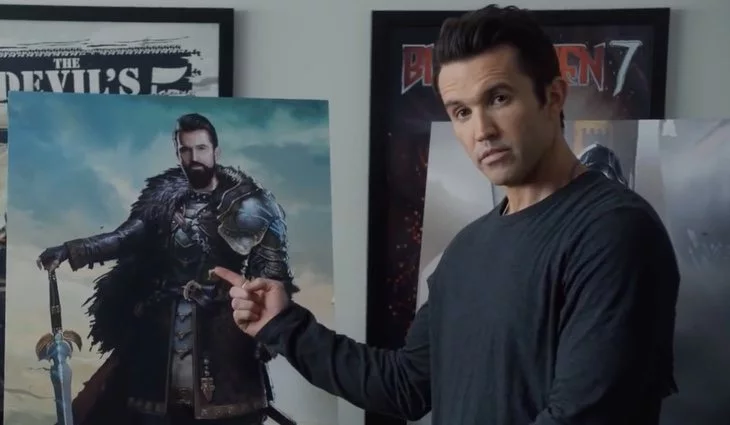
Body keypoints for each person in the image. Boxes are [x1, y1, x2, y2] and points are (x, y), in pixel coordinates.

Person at [213, 4, 680, 425]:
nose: (482, 130)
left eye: (499, 98)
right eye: (461, 112)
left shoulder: (614, 232)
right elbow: (404, 386)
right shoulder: (469, 247)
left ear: (553, 96)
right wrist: (283, 324)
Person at [37, 113, 298, 425]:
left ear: (216, 151)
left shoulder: (249, 204)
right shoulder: (162, 200)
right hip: (161, 334)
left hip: (223, 337)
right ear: (178, 153)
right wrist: (70, 250)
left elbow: (272, 276)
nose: (193, 157)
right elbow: (124, 238)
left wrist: (266, 331)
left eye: (201, 149)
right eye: (185, 150)